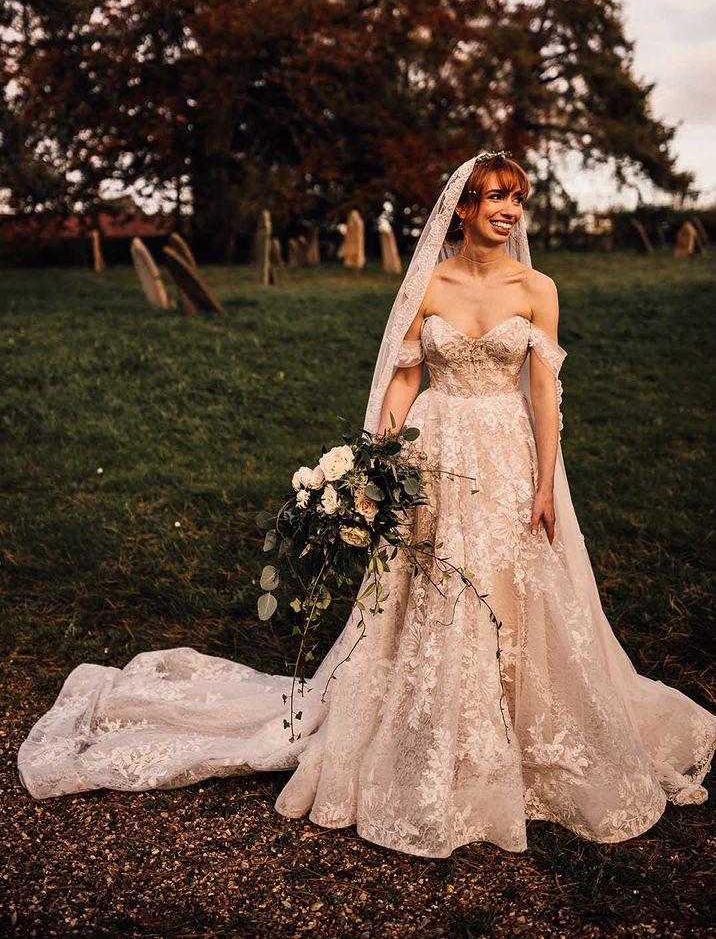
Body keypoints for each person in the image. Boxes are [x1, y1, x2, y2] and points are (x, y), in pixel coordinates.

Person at [17, 152, 715, 859]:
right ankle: (436, 727)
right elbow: (408, 377)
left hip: (507, 453)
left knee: (511, 587)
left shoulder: (538, 287)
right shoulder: (431, 284)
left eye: (517, 201)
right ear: (463, 209)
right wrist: (374, 460)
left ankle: (513, 724)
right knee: (438, 586)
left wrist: (543, 485)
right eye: (496, 199)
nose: (509, 212)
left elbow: (543, 393)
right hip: (437, 453)